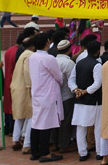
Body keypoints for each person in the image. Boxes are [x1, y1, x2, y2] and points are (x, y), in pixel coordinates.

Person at [28, 33, 64, 162]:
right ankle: (45, 153)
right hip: (48, 94)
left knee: (37, 122)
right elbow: (58, 76)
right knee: (46, 124)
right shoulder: (49, 59)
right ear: (47, 43)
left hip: (37, 93)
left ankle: (35, 152)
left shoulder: (32, 57)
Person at [68, 40, 102, 162]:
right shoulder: (97, 64)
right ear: (98, 51)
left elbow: (71, 80)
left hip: (80, 100)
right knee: (98, 126)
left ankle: (82, 153)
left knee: (80, 126)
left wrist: (76, 90)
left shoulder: (79, 63)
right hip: (94, 100)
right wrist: (84, 91)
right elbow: (97, 83)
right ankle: (99, 152)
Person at [10, 36, 35, 154]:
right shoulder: (29, 55)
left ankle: (15, 140)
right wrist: (30, 86)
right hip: (25, 88)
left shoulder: (22, 54)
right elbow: (27, 71)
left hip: (17, 87)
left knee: (20, 116)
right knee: (30, 115)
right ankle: (27, 144)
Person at [52, 40, 75, 153]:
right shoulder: (68, 63)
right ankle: (63, 144)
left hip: (55, 96)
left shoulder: (54, 61)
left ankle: (55, 143)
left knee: (56, 121)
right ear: (69, 49)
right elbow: (73, 80)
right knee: (66, 122)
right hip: (67, 96)